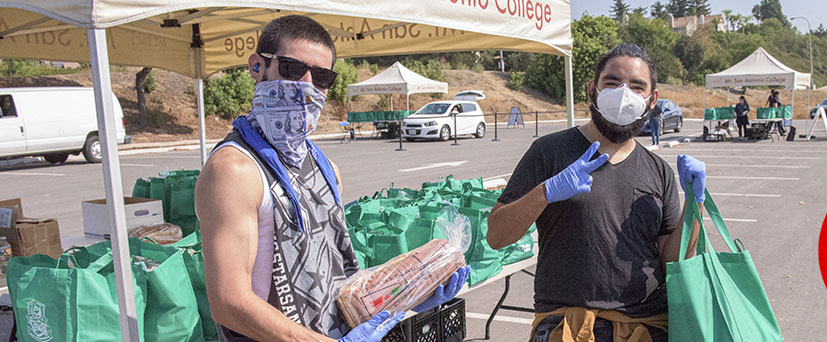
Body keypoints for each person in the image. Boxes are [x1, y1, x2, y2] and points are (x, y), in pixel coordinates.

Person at [195, 15, 468, 342]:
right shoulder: (234, 170)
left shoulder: (325, 166)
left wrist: (410, 292)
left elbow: (334, 279)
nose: (307, 87)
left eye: (322, 77)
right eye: (293, 69)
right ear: (257, 67)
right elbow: (230, 303)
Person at [485, 43, 708, 342]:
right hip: (567, 327)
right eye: (612, 83)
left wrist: (696, 204)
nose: (623, 94)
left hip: (645, 326)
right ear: (593, 90)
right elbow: (497, 236)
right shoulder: (549, 152)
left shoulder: (658, 171)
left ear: (652, 99)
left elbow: (672, 264)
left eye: (637, 87)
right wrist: (545, 192)